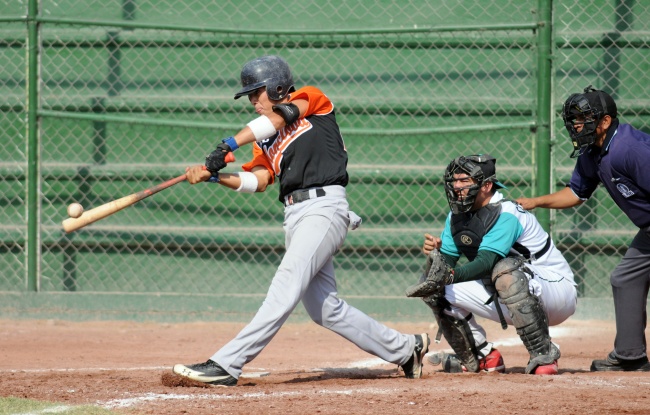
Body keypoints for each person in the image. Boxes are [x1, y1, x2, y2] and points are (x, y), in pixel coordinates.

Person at [171, 55, 429, 386]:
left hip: (324, 208)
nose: (253, 102)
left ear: (278, 86)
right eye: (250, 95)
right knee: (325, 310)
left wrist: (227, 145)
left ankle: (226, 364)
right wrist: (214, 177)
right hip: (295, 216)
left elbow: (281, 118)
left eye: (257, 93)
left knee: (285, 285)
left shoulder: (310, 99)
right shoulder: (264, 138)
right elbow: (260, 181)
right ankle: (407, 350)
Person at [517, 86, 650, 372]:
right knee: (625, 279)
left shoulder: (630, 149)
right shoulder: (593, 152)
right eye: (573, 120)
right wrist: (536, 202)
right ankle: (631, 356)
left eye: (584, 119)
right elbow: (576, 193)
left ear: (604, 121)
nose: (576, 125)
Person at [406, 154, 577, 375]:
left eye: (464, 181)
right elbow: (445, 269)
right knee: (434, 285)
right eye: (455, 180)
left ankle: (543, 355)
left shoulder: (506, 213)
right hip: (509, 291)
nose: (457, 186)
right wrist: (436, 256)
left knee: (505, 270)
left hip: (555, 291)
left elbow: (486, 263)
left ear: (486, 186)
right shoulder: (456, 216)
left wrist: (448, 274)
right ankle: (483, 356)